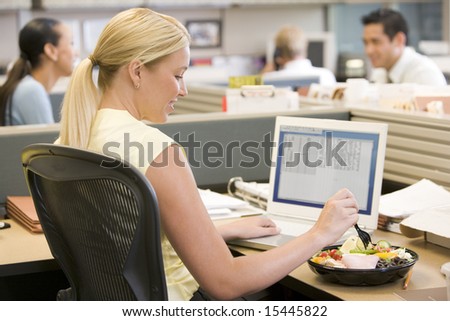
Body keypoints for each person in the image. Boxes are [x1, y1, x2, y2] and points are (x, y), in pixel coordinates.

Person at [58, 8, 359, 301]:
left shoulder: (73, 138)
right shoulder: (156, 152)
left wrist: (218, 231)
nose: (184, 89)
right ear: (137, 71)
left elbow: (126, 234)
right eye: (178, 75)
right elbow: (225, 283)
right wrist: (320, 233)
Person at [0, 17, 77, 126]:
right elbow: (47, 142)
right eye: (72, 43)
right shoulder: (31, 90)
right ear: (50, 51)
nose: (76, 53)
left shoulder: (28, 87)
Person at [361, 8, 446, 86]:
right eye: (366, 43)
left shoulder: (424, 75)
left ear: (399, 39)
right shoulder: (379, 72)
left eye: (376, 42)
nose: (368, 51)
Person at [261, 25, 336, 86]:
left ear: (279, 53)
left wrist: (262, 75)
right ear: (305, 49)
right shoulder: (326, 75)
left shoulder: (268, 79)